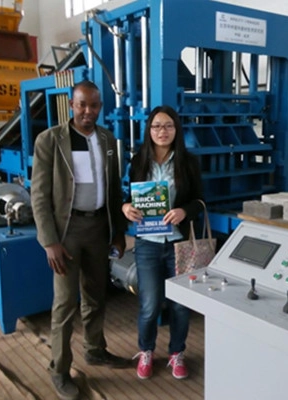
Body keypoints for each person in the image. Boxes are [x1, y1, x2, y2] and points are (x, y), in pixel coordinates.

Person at [31, 80, 128, 400]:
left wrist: (118, 232)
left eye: (94, 105)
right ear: (71, 105)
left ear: (100, 107)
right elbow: (39, 196)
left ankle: (95, 350)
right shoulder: (50, 140)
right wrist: (49, 242)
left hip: (98, 227)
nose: (88, 111)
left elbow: (114, 188)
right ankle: (59, 369)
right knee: (64, 303)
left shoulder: (107, 139)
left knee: (96, 295)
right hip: (67, 232)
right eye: (82, 104)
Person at [122, 105, 204, 380]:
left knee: (180, 305)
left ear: (176, 129)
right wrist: (125, 207)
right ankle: (146, 351)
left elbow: (200, 201)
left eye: (168, 125)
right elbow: (128, 197)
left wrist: (184, 211)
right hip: (147, 243)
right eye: (156, 126)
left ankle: (176, 353)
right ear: (149, 130)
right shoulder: (138, 162)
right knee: (150, 305)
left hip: (178, 244)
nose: (162, 131)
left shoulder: (188, 162)